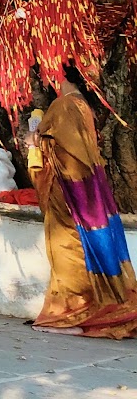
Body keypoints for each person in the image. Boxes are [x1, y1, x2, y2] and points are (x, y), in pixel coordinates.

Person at [28, 81, 137, 338]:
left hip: (68, 193)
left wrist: (34, 145)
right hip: (83, 192)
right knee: (77, 249)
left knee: (67, 252)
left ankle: (69, 315)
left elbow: (66, 153)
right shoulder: (81, 105)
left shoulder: (65, 105)